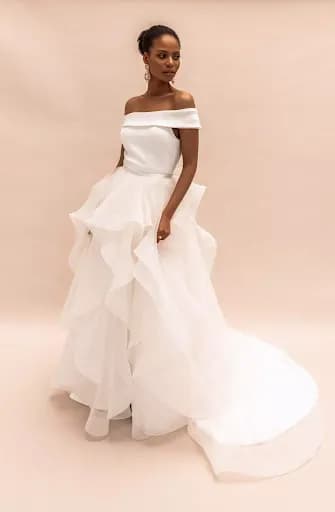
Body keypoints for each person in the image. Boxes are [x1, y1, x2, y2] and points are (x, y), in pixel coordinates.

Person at [50, 24, 324, 480]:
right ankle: (123, 385)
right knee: (117, 295)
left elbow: (190, 163)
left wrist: (167, 216)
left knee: (163, 298)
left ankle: (163, 388)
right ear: (144, 57)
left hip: (159, 204)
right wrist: (104, 205)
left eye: (176, 56)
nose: (171, 63)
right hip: (124, 201)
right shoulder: (132, 106)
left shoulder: (183, 102)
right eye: (162, 55)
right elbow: (123, 160)